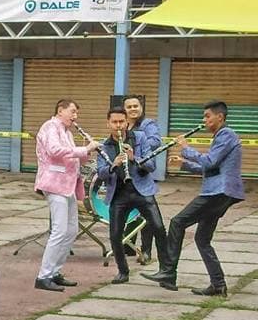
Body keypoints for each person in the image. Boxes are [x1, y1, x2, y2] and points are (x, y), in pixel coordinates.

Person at [142, 101, 245, 296]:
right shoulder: (221, 137)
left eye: (207, 116)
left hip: (218, 192)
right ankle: (218, 284)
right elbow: (211, 168)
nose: (204, 120)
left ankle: (168, 272)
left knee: (177, 222)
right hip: (219, 192)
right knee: (202, 239)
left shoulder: (226, 134)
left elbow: (210, 161)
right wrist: (185, 163)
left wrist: (186, 148)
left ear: (220, 117)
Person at [34, 99, 101, 292]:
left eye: (76, 113)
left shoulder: (67, 132)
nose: (75, 116)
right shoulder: (50, 127)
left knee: (71, 230)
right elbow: (55, 151)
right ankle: (43, 276)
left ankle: (55, 272)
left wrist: (90, 150)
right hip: (53, 183)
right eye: (72, 112)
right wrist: (85, 149)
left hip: (68, 185)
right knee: (59, 230)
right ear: (60, 110)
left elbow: (76, 157)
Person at [96, 107, 168, 285]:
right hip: (119, 194)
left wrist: (134, 158)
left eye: (122, 122)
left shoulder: (141, 138)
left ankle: (167, 270)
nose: (118, 126)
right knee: (115, 235)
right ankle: (123, 271)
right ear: (108, 124)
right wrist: (114, 164)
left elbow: (151, 166)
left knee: (159, 228)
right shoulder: (103, 146)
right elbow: (101, 173)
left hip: (141, 190)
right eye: (114, 122)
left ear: (127, 123)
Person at [123, 95, 162, 264]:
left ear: (141, 107)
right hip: (124, 175)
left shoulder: (148, 124)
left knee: (148, 216)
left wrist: (136, 140)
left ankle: (147, 250)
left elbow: (155, 142)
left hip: (141, 173)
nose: (133, 109)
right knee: (130, 212)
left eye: (136, 106)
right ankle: (128, 246)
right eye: (129, 106)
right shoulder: (122, 124)